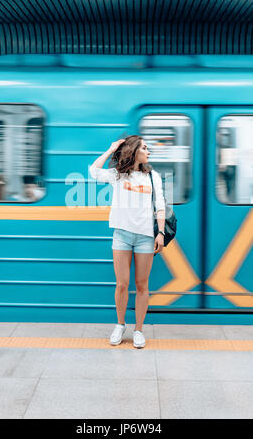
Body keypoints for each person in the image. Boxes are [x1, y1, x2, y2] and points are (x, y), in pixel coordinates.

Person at [89, 135, 165, 348]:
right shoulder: (118, 176)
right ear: (134, 151)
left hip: (145, 237)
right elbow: (94, 172)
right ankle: (120, 325)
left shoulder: (153, 177)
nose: (148, 151)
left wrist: (160, 233)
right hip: (121, 235)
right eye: (144, 148)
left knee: (142, 285)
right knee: (122, 284)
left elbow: (160, 205)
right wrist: (111, 148)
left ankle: (138, 330)